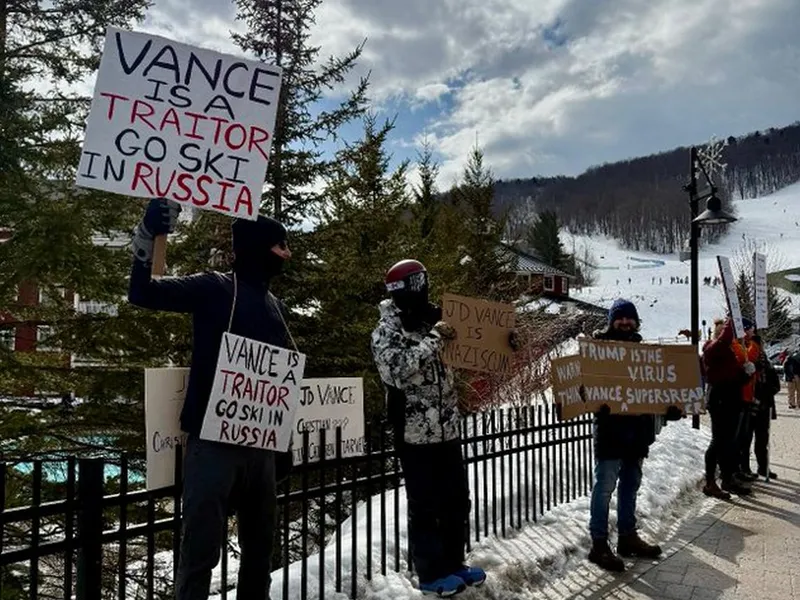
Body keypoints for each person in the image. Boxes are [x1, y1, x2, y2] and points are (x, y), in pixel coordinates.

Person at [129, 198, 293, 600]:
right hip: (213, 443)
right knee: (201, 555)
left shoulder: (277, 306)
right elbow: (143, 291)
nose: (288, 253)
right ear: (259, 247)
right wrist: (147, 234)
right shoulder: (214, 288)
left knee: (259, 556)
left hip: (261, 449)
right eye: (281, 244)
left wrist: (282, 442)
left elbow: (280, 383)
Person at [371, 259, 485, 598]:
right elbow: (396, 372)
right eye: (417, 282)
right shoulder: (387, 331)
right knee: (425, 504)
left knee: (456, 501)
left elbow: (476, 349)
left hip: (447, 428)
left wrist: (506, 342)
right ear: (401, 290)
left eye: (425, 280)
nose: (424, 288)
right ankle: (430, 572)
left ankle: (454, 563)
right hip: (415, 432)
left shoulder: (435, 319)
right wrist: (434, 339)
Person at [587, 299, 681, 573]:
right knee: (604, 489)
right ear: (611, 321)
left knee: (631, 487)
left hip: (636, 434)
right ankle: (599, 544)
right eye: (620, 318)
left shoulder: (645, 354)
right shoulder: (598, 351)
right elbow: (583, 390)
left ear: (637, 322)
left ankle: (627, 536)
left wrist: (669, 410)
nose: (625, 323)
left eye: (630, 319)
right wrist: (596, 401)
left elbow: (657, 392)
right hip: (611, 433)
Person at [701, 319, 752, 498]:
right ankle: (710, 482)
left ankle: (728, 478)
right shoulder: (712, 349)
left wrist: (747, 373)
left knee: (729, 442)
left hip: (731, 400)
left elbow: (734, 378)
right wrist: (733, 318)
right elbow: (722, 344)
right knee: (718, 441)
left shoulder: (728, 351)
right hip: (720, 400)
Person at [746, 347, 781, 478]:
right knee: (746, 439)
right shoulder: (749, 367)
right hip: (749, 407)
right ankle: (745, 467)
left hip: (764, 407)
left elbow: (775, 386)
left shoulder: (768, 368)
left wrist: (765, 393)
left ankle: (763, 467)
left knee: (762, 439)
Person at [736, 319, 761, 481]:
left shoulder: (745, 344)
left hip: (748, 395)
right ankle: (737, 469)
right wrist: (755, 344)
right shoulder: (738, 345)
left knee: (746, 436)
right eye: (750, 329)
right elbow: (749, 357)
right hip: (740, 396)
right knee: (740, 437)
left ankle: (744, 467)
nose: (753, 332)